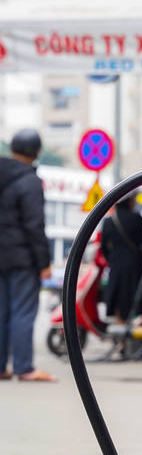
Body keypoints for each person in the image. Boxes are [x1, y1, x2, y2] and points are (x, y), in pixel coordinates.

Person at [0, 128, 56, 381]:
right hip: (21, 258)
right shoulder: (29, 181)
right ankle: (24, 368)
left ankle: (1, 367)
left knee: (2, 311)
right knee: (23, 311)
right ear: (36, 152)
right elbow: (34, 225)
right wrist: (44, 263)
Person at [101, 196, 142, 323]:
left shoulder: (108, 221)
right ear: (129, 202)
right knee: (138, 292)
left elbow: (103, 247)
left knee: (118, 294)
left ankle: (120, 322)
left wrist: (111, 260)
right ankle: (140, 321)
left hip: (116, 264)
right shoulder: (136, 218)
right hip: (135, 263)